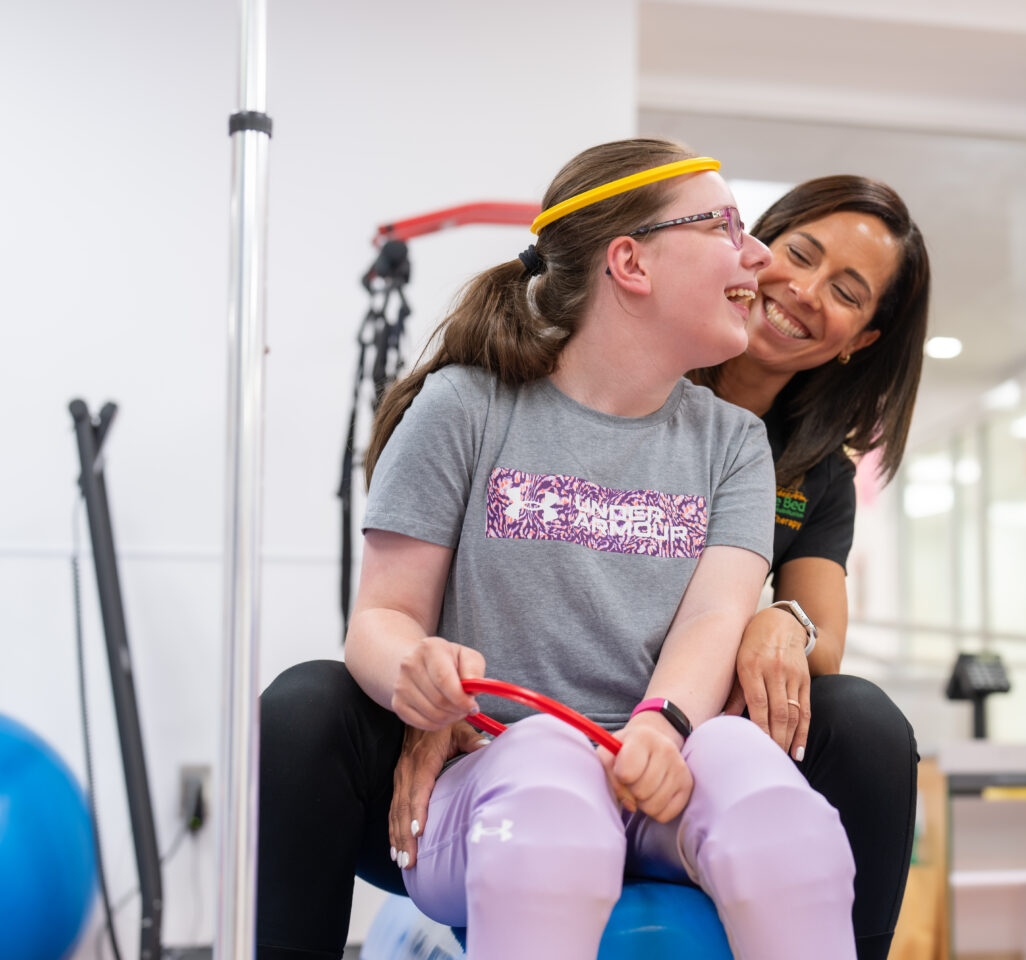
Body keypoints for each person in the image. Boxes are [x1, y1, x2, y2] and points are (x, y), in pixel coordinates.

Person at [257, 138, 858, 960]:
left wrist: (663, 725)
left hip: (661, 768)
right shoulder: (463, 407)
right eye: (725, 226)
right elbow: (382, 618)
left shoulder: (735, 444)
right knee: (548, 790)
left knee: (780, 820)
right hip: (496, 775)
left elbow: (718, 614)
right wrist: (418, 672)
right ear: (630, 263)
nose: (755, 255)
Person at [692, 175, 930, 959]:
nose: (803, 290)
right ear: (756, 245)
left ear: (860, 338)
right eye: (799, 253)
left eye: (847, 292)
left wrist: (781, 618)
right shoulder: (640, 383)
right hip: (584, 685)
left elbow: (824, 637)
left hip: (708, 716)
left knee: (862, 719)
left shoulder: (819, 470)